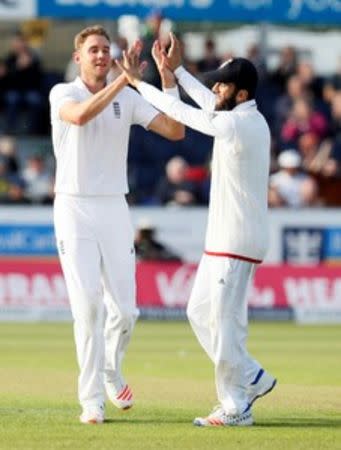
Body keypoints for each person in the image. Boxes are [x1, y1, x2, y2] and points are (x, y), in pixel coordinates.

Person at [116, 32, 276, 427]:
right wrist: (176, 70)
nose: (216, 87)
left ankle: (236, 406)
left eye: (223, 83)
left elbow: (189, 115)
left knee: (225, 325)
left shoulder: (241, 125)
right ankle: (251, 376)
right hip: (225, 240)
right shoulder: (238, 115)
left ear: (241, 94)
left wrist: (140, 85)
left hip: (235, 241)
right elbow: (206, 103)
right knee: (198, 311)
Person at [49, 25, 184, 425]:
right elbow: (80, 117)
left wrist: (165, 79)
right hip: (73, 207)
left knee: (126, 311)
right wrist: (127, 79)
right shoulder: (64, 93)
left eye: (106, 49)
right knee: (87, 306)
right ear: (78, 57)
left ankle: (111, 367)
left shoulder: (127, 95)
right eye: (93, 50)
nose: (101, 55)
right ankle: (91, 400)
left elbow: (175, 130)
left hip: (112, 208)